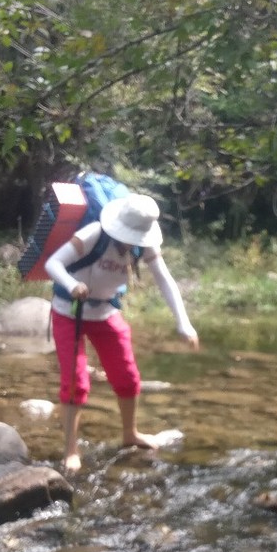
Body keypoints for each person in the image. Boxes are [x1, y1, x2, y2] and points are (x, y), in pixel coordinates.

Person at [43, 193, 199, 475]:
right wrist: (71, 284)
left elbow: (165, 280)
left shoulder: (144, 244)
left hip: (105, 312)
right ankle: (70, 449)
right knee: (76, 381)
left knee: (127, 376)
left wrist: (183, 322)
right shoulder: (94, 234)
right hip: (70, 311)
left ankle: (130, 433)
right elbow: (53, 263)